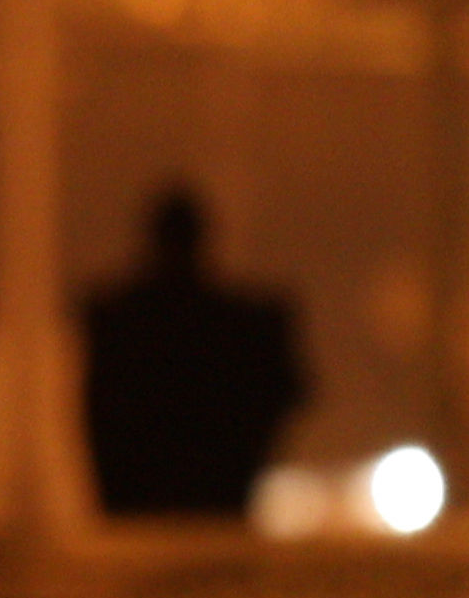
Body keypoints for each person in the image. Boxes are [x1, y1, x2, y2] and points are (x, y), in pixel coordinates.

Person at [77, 184, 306, 518]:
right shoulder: (243, 326)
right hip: (216, 511)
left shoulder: (116, 322)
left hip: (140, 514)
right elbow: (289, 392)